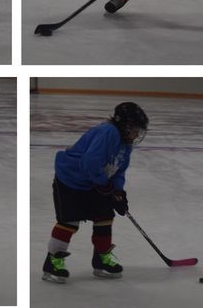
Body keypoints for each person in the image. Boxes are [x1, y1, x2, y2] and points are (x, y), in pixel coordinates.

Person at [41, 102, 148, 283]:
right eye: (135, 129)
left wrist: (118, 192)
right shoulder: (108, 132)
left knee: (105, 216)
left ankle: (101, 258)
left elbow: (118, 170)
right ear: (124, 125)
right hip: (71, 180)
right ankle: (53, 261)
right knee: (69, 221)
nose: (137, 134)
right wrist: (103, 184)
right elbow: (89, 162)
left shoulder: (126, 143)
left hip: (94, 181)